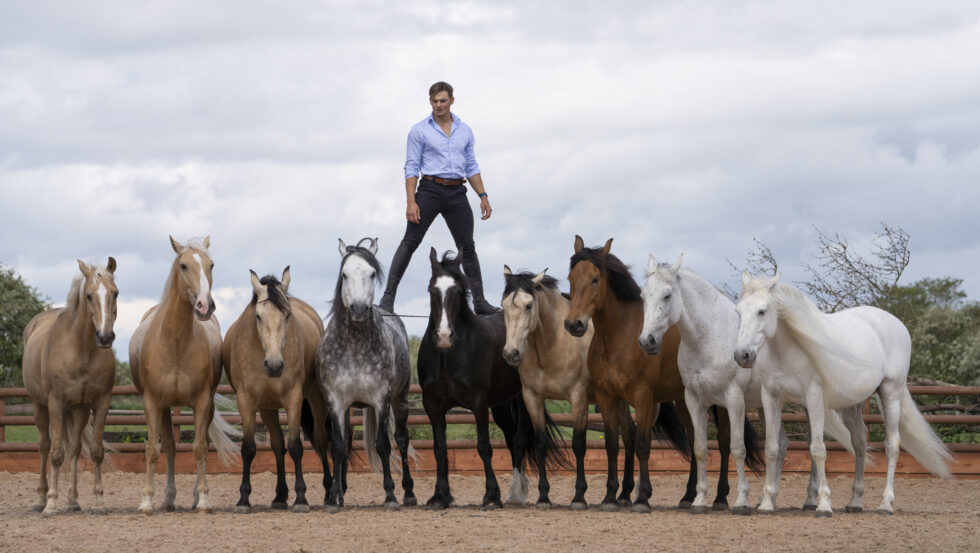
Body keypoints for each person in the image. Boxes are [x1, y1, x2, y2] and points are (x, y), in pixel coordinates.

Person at [379, 81, 501, 315]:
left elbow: (472, 166)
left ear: (451, 101)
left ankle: (480, 301)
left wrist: (483, 195)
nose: (439, 105)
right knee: (410, 241)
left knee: (468, 246)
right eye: (434, 101)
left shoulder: (464, 130)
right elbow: (411, 167)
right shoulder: (419, 131)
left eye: (443, 101)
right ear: (430, 102)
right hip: (430, 190)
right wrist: (410, 200)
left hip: (457, 191)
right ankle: (387, 299)